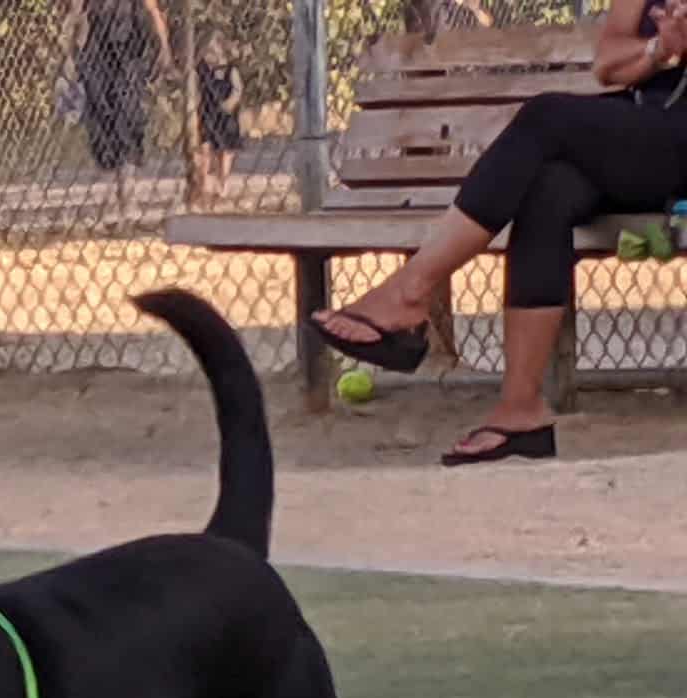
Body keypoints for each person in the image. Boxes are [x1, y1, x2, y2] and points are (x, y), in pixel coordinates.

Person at [309, 0, 687, 467]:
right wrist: (659, 47)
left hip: (673, 141)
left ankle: (410, 293)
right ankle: (521, 409)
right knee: (548, 188)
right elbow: (607, 65)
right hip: (646, 135)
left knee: (545, 117)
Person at [69, 0, 172, 218]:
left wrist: (164, 49)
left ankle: (128, 196)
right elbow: (76, 14)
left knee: (127, 116)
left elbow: (152, 10)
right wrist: (73, 50)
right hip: (96, 51)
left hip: (128, 51)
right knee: (101, 118)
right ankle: (108, 200)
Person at [196, 28, 243, 208]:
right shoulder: (203, 71)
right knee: (206, 149)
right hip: (208, 115)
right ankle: (204, 184)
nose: (208, 57)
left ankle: (223, 184)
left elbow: (237, 89)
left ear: (221, 50)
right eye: (206, 52)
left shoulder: (230, 70)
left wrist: (230, 103)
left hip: (225, 116)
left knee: (224, 153)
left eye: (212, 52)